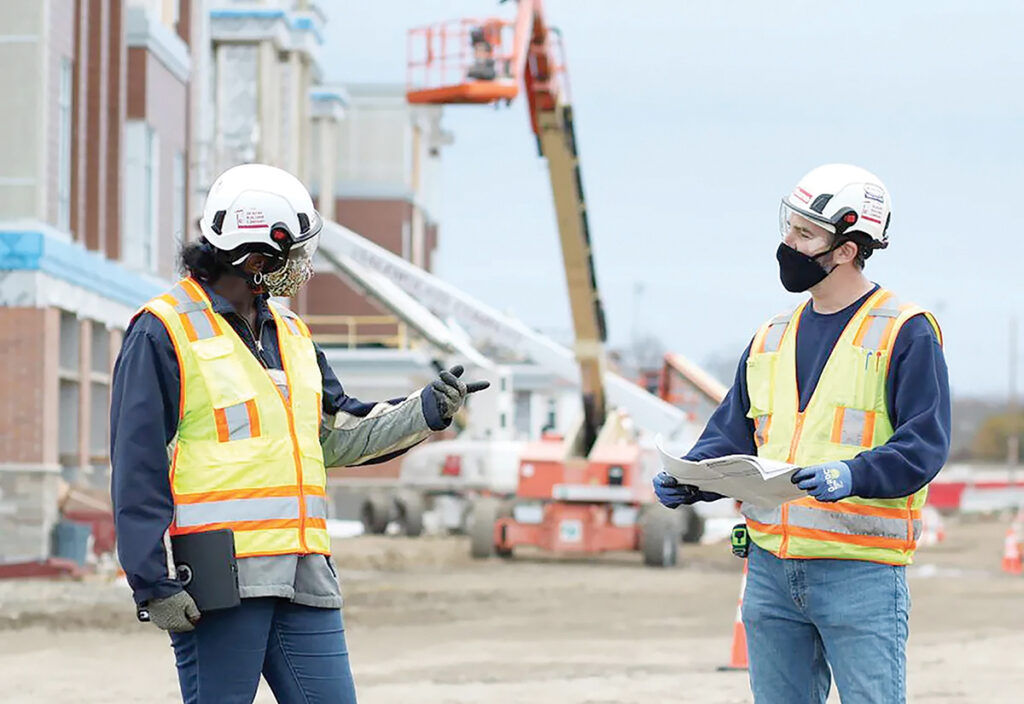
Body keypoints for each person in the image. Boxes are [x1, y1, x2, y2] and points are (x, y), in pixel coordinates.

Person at [110, 163, 489, 703]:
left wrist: (424, 411)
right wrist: (151, 581)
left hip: (305, 572)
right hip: (222, 582)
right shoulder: (162, 330)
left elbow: (334, 433)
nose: (305, 269)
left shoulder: (291, 332)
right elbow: (137, 464)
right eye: (297, 256)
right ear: (257, 258)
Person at [653, 164, 950, 703]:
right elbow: (732, 436)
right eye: (789, 226)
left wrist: (851, 473)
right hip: (770, 572)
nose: (787, 243)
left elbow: (924, 444)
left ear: (847, 249)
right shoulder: (771, 336)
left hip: (860, 574)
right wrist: (693, 479)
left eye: (805, 234)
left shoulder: (906, 330)